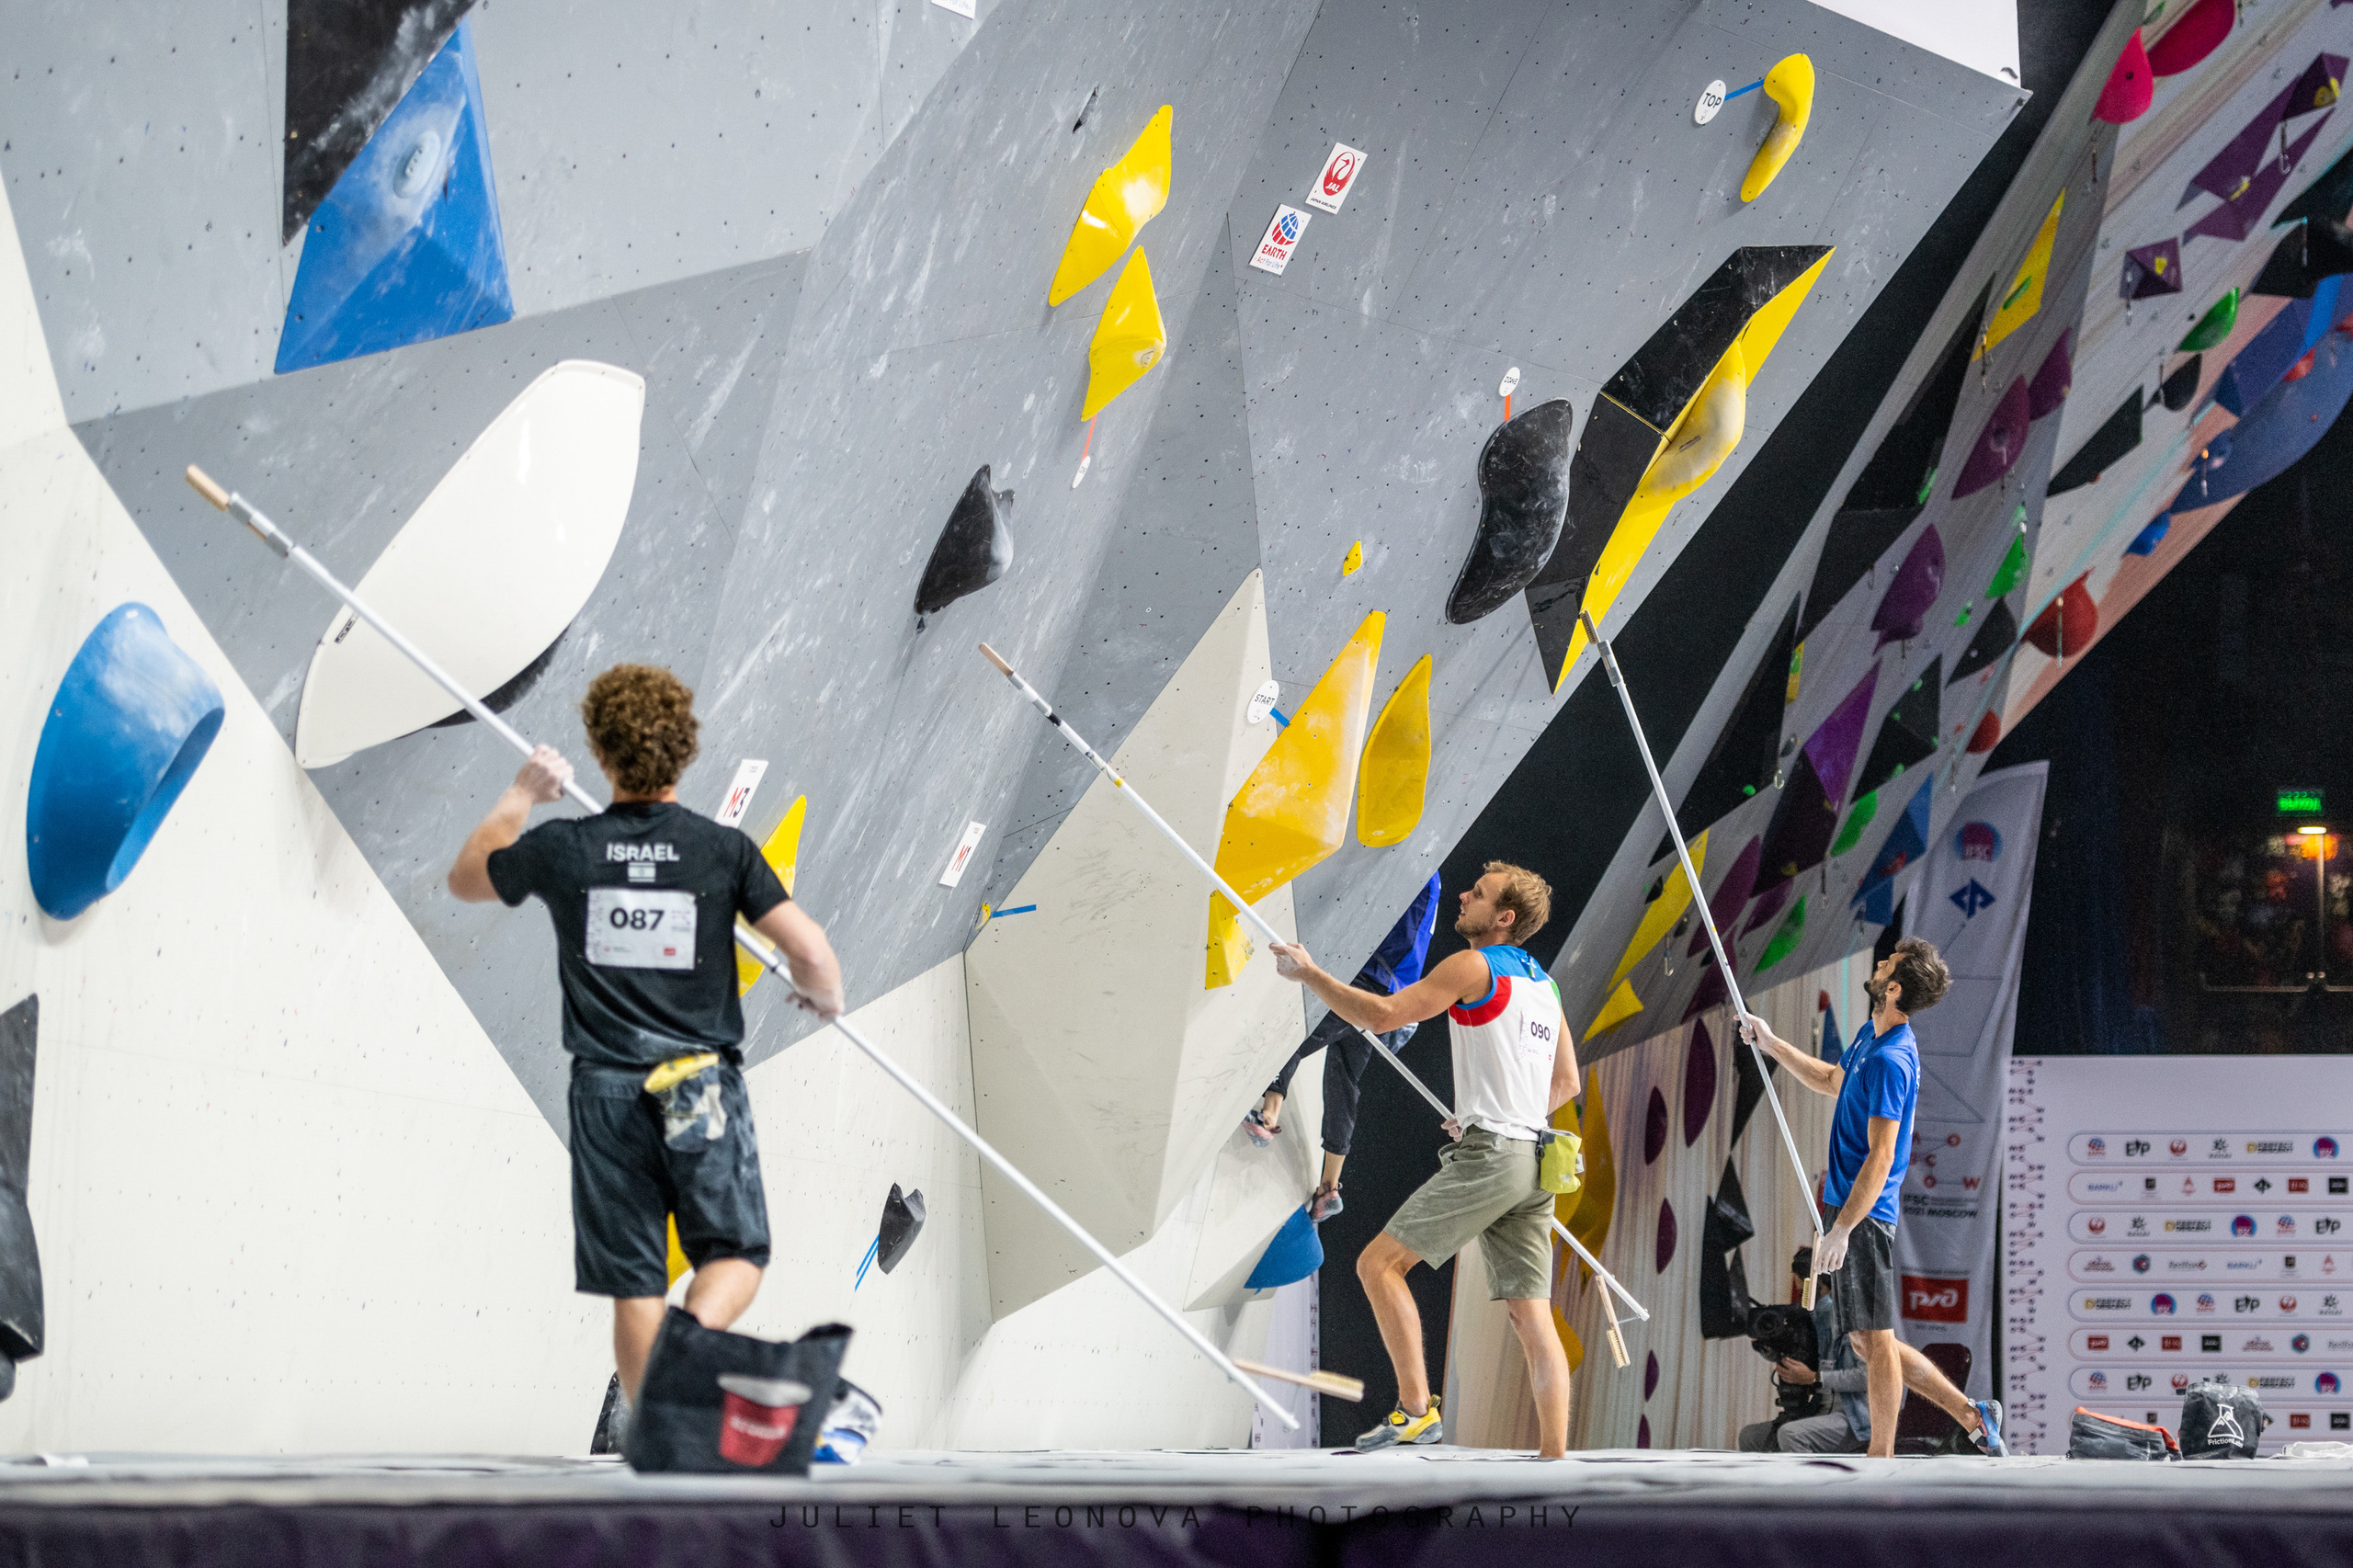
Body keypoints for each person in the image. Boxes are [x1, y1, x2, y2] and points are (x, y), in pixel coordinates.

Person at [446, 664, 846, 1413]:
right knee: (734, 1254)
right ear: (684, 754)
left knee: (634, 1279)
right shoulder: (722, 852)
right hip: (695, 1083)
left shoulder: (564, 849)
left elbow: (468, 878)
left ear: (600, 755)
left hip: (606, 1093)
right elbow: (813, 952)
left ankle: (654, 1426)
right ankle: (691, 1338)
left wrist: (523, 795)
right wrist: (823, 996)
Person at [1270, 863, 1579, 1459]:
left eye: (1479, 895)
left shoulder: (1472, 965)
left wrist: (1309, 974)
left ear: (1504, 919)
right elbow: (1564, 1081)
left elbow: (1385, 1017)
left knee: (1378, 1266)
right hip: (1536, 1160)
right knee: (1530, 1315)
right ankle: (1555, 1458)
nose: (1463, 896)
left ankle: (1416, 1414)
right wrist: (1497, 1109)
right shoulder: (1545, 983)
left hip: (1492, 1156)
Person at [1739, 937, 2006, 1458]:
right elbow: (1829, 1079)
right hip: (1845, 1208)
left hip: (1865, 1214)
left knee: (1876, 1341)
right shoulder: (1870, 1034)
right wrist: (1770, 1044)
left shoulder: (1893, 1060)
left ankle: (1880, 1457)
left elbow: (1882, 1156)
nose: (1879, 963)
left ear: (1894, 987)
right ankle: (1972, 1415)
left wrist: (1843, 1228)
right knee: (1866, 1341)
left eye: (1887, 964)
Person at [1245, 873, 1443, 1221]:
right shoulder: (1428, 873)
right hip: (1389, 992)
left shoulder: (1418, 868)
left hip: (1371, 983)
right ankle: (1330, 1187)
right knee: (1344, 1080)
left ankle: (1268, 1116)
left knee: (1298, 1037)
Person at [1739, 1251, 1870, 1454]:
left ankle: (1809, 1486)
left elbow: (1866, 1377)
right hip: (1819, 1411)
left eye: (1806, 1291)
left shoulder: (1857, 1322)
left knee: (1790, 1434)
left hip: (1856, 1417)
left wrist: (1815, 1378)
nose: (1804, 1301)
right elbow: (1799, 1357)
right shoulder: (1816, 1323)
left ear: (1821, 1285)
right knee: (1750, 1437)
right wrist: (1772, 1351)